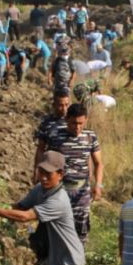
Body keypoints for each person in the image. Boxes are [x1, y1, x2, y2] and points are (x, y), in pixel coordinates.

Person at [46, 102, 103, 245]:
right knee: (58, 225)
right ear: (66, 120)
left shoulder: (90, 137)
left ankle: (78, 260)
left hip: (82, 191)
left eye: (80, 123)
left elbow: (98, 163)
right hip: (60, 190)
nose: (77, 127)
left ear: (86, 120)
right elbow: (48, 163)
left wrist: (99, 185)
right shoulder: (56, 136)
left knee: (81, 228)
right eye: (73, 123)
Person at [34, 89, 72, 174]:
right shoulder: (46, 122)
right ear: (54, 105)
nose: (64, 109)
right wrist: (37, 169)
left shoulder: (73, 121)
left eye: (66, 105)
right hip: (52, 169)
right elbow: (40, 148)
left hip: (71, 170)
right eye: (61, 105)